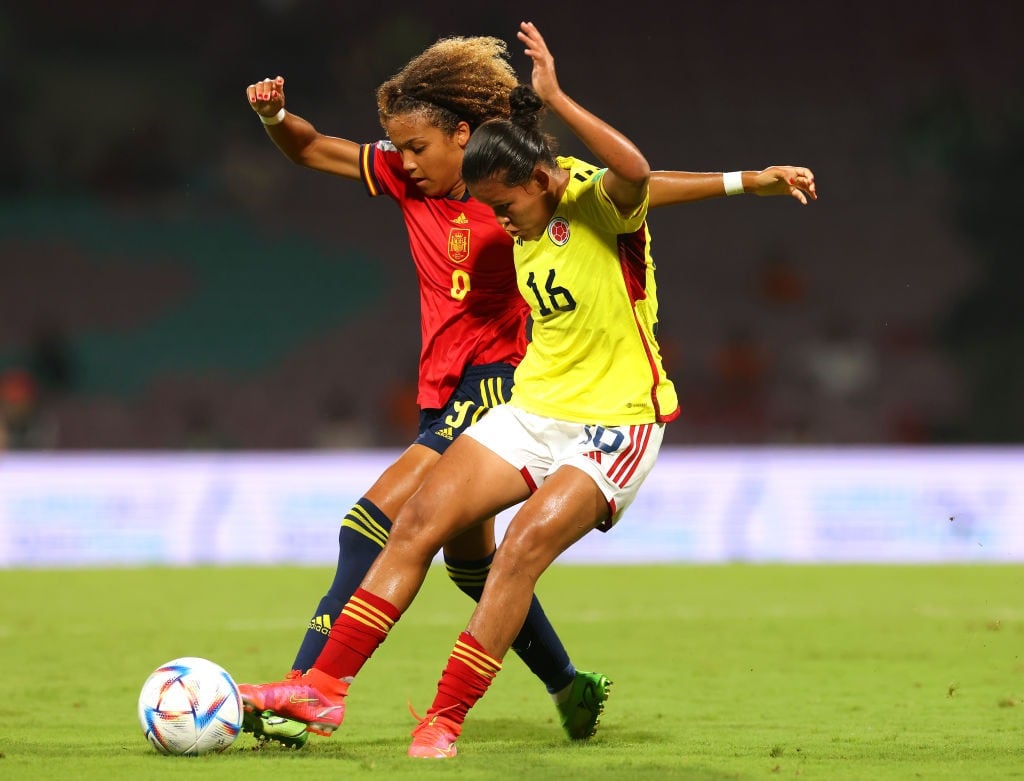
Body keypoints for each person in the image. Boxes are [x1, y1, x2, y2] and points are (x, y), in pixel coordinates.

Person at [238, 21, 817, 759]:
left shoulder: (579, 200)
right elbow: (319, 149)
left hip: (592, 412)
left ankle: (378, 700)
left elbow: (636, 177)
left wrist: (747, 178)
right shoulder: (467, 188)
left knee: (420, 532)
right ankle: (552, 684)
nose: (498, 223)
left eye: (418, 146)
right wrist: (274, 119)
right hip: (517, 402)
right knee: (449, 547)